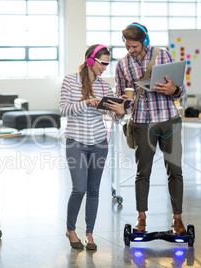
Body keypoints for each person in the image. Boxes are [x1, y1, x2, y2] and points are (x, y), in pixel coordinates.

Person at [114, 23, 187, 235]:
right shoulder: (122, 65)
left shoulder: (163, 55)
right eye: (127, 46)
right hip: (141, 122)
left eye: (134, 46)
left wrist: (174, 89)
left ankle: (177, 218)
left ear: (144, 42)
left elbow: (180, 90)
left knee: (175, 170)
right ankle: (141, 218)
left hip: (168, 120)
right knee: (142, 172)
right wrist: (121, 102)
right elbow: (120, 95)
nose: (131, 50)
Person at [60, 44, 126, 250]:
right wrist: (87, 103)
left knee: (94, 190)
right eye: (102, 63)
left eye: (107, 64)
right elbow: (63, 110)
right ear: (90, 60)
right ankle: (71, 229)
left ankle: (89, 233)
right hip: (76, 142)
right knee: (79, 189)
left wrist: (120, 111)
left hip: (99, 143)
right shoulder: (70, 80)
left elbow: (113, 118)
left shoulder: (105, 87)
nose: (105, 68)